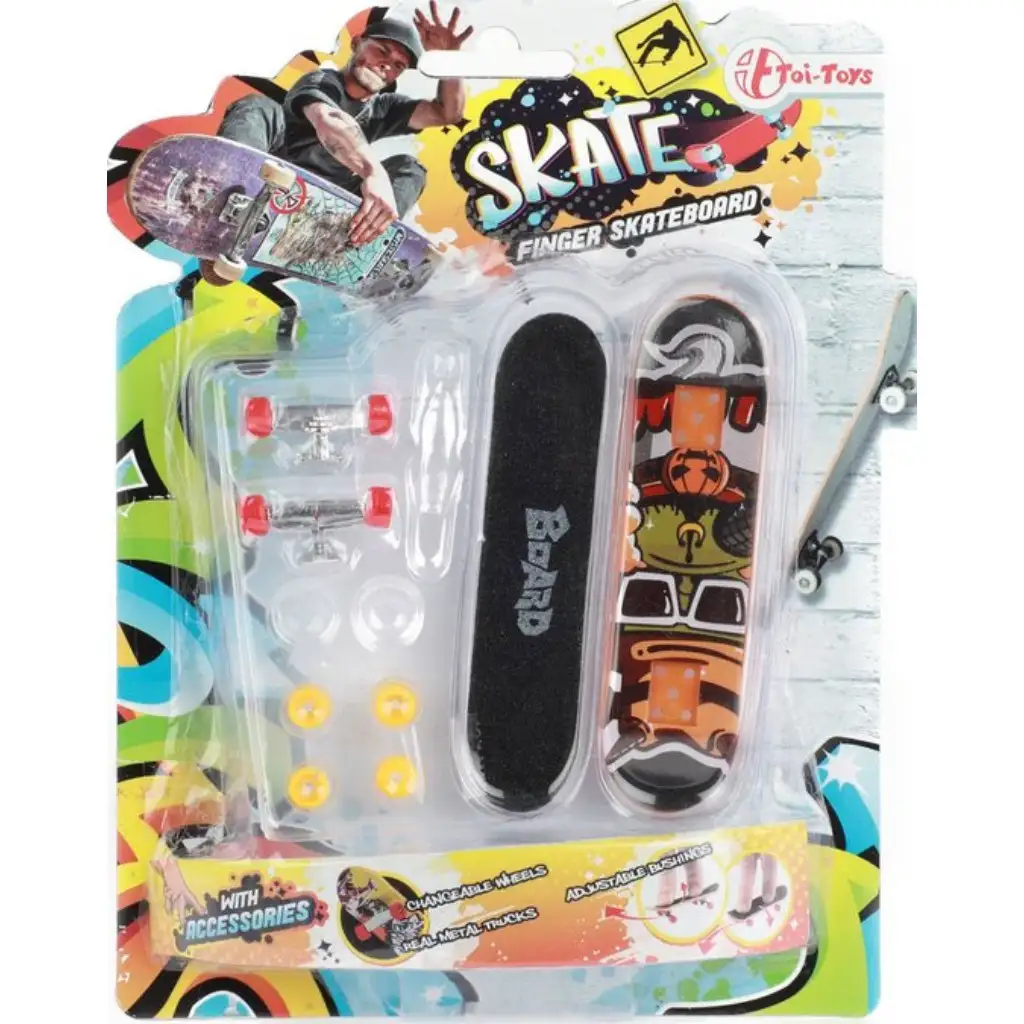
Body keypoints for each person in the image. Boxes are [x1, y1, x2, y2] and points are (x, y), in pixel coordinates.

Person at [203, 3, 473, 282]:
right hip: (273, 177)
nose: (387, 65)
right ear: (356, 44)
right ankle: (231, 195)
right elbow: (328, 120)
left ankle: (364, 240)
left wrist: (449, 60)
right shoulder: (322, 81)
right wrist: (373, 172)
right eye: (381, 51)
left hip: (330, 206)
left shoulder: (384, 108)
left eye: (398, 65)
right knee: (257, 106)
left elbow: (448, 113)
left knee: (410, 168)